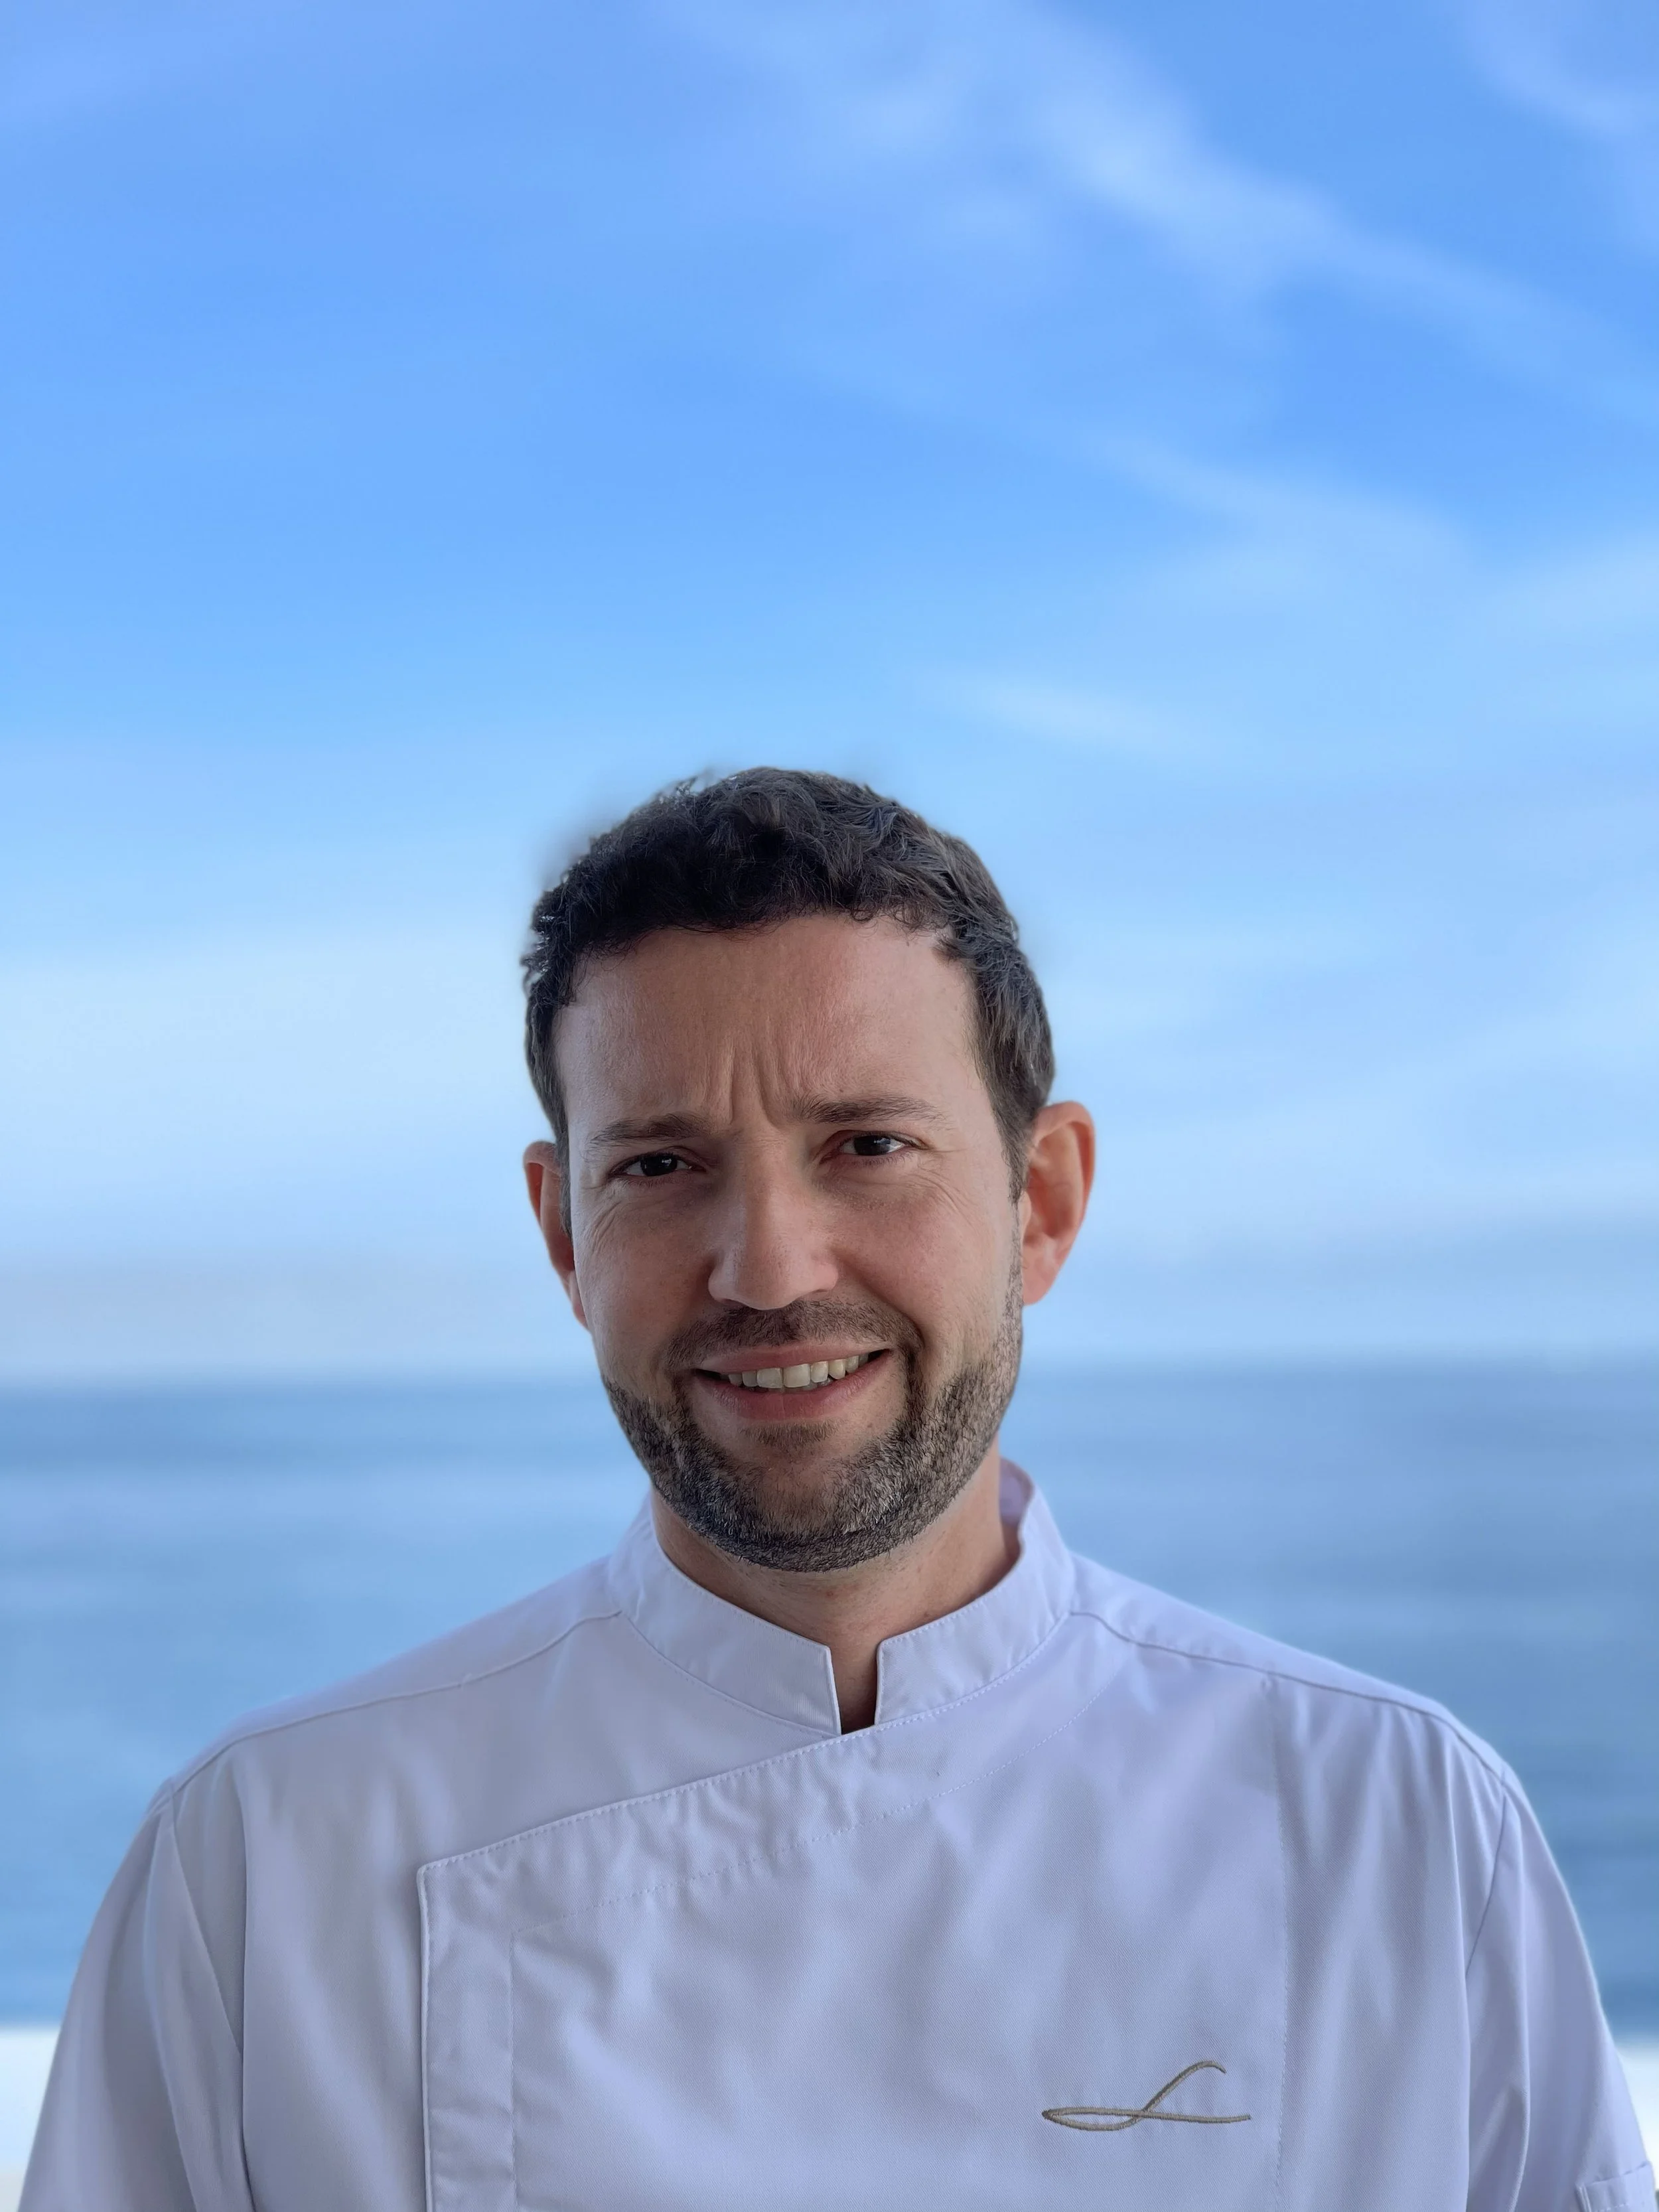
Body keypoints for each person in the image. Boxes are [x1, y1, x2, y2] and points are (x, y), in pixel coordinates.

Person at [23, 769, 1648, 2211]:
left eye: (865, 1144)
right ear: (560, 1233)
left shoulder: (1396, 1832)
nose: (768, 1268)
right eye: (659, 1166)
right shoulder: (270, 1863)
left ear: (1042, 1202)